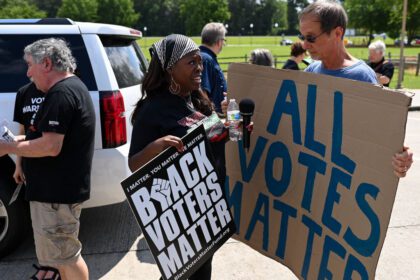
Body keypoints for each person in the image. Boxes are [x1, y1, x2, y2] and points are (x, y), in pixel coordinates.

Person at [129, 34, 229, 280]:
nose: (199, 68)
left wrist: (229, 123)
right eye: (191, 62)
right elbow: (134, 164)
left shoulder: (198, 99)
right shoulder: (152, 109)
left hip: (209, 204)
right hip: (180, 212)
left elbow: (215, 136)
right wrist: (157, 146)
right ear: (170, 69)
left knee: (202, 269)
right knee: (184, 272)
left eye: (200, 62)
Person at [0, 38, 95, 280]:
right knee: (60, 259)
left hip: (55, 196)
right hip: (57, 193)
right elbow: (43, 137)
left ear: (46, 63)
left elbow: (51, 146)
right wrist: (17, 144)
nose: (28, 72)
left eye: (30, 65)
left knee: (66, 259)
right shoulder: (72, 88)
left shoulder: (61, 94)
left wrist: (7, 147)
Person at [298, 0, 412, 177]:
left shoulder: (363, 77)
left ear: (337, 33)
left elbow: (382, 136)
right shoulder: (310, 72)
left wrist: (401, 157)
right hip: (314, 175)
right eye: (302, 37)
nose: (305, 45)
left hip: (343, 178)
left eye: (311, 38)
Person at [13, 82, 44, 185]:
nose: (28, 71)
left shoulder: (55, 91)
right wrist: (18, 165)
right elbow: (22, 131)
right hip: (31, 160)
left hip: (53, 156)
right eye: (28, 65)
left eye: (30, 65)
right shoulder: (23, 92)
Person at [200, 22, 228, 114]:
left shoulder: (203, 57)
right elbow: (202, 94)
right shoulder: (206, 59)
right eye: (224, 40)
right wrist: (214, 122)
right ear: (219, 42)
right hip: (213, 119)